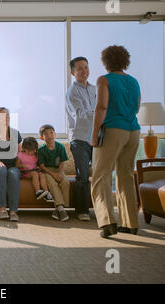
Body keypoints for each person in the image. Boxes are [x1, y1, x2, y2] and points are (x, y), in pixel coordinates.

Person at [90, 45, 141, 238]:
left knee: (100, 175)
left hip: (113, 130)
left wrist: (94, 134)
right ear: (125, 60)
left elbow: (101, 107)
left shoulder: (104, 80)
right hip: (134, 131)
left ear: (106, 61)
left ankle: (107, 223)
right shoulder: (134, 81)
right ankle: (130, 224)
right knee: (126, 175)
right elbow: (136, 107)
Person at [66, 56, 96, 221]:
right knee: (82, 176)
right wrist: (101, 112)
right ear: (72, 72)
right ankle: (82, 210)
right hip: (79, 139)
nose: (84, 71)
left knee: (99, 174)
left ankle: (99, 209)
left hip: (95, 138)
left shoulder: (94, 89)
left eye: (86, 67)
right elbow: (81, 116)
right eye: (80, 68)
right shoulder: (71, 92)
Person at [37, 124, 70, 222]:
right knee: (53, 183)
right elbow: (42, 166)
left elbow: (62, 162)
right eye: (46, 134)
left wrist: (59, 173)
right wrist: (53, 174)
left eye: (51, 132)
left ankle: (58, 209)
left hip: (58, 170)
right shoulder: (41, 150)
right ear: (42, 138)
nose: (49, 135)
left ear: (55, 134)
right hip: (47, 171)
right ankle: (61, 209)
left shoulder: (60, 147)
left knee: (65, 183)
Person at [16, 137, 54, 202]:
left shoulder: (36, 155)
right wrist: (23, 165)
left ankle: (46, 192)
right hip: (25, 173)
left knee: (42, 175)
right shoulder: (20, 155)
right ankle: (38, 192)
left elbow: (37, 164)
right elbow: (16, 165)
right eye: (29, 151)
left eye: (33, 150)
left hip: (34, 171)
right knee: (35, 174)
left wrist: (38, 167)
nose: (31, 153)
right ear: (24, 148)